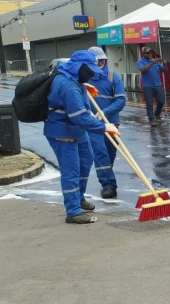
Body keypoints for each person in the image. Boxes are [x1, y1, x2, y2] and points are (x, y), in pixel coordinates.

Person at [45, 50, 120, 224]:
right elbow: (79, 116)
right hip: (62, 132)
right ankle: (72, 211)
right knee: (71, 170)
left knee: (86, 160)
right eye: (90, 70)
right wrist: (103, 127)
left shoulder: (74, 80)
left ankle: (78, 198)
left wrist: (84, 88)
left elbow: (81, 111)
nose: (93, 74)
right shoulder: (67, 85)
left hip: (75, 130)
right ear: (80, 67)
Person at [85, 46, 125, 199]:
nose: (100, 64)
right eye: (97, 61)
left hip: (112, 123)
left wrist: (104, 113)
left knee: (109, 155)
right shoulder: (85, 80)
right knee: (100, 154)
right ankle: (108, 185)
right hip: (93, 125)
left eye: (102, 61)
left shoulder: (112, 76)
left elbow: (121, 100)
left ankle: (107, 175)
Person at [136, 47, 165, 126]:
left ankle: (156, 114)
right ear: (144, 54)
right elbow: (143, 70)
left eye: (150, 52)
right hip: (147, 86)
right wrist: (152, 62)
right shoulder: (140, 61)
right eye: (147, 53)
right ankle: (151, 119)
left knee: (161, 101)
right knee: (149, 103)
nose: (149, 54)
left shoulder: (155, 60)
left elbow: (163, 70)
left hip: (158, 84)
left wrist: (163, 63)